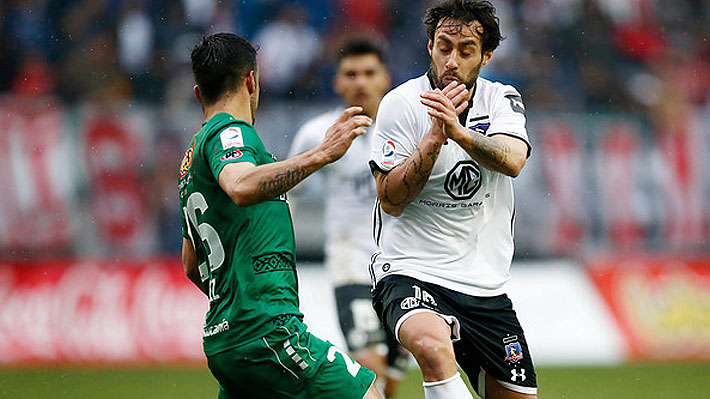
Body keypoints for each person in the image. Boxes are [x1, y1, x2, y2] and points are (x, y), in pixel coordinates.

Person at [179, 33, 383, 399]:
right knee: (369, 395)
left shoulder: (191, 159)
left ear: (199, 92)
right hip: (265, 330)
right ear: (251, 81)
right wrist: (321, 154)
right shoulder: (230, 133)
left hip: (225, 337)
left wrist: (233, 304)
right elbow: (241, 186)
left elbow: (192, 263)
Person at [367, 1, 537, 399]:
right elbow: (390, 200)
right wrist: (434, 137)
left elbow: (513, 161)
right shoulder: (401, 104)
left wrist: (458, 132)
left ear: (486, 56)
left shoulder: (501, 100)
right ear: (429, 45)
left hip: (484, 283)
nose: (452, 61)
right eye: (444, 47)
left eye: (465, 51)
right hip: (410, 268)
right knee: (430, 346)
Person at [288, 39, 407, 398]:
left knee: (391, 379)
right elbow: (289, 191)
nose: (360, 82)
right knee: (369, 369)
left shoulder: (407, 128)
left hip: (404, 264)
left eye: (369, 73)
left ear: (385, 78)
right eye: (350, 74)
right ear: (337, 82)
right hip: (352, 264)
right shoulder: (318, 133)